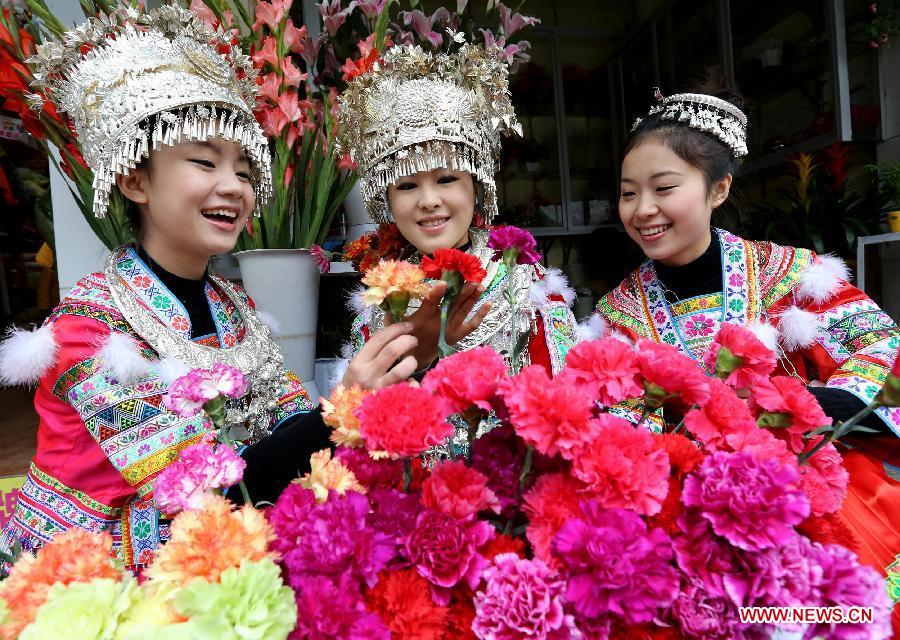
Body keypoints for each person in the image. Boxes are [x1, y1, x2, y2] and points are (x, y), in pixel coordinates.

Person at [0, 5, 436, 572]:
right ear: (135, 180)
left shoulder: (232, 304)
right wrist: (341, 407)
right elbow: (193, 499)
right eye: (204, 163)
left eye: (245, 171)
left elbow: (281, 430)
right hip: (96, 559)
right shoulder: (90, 333)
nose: (233, 187)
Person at [596, 88, 900, 625]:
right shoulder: (617, 315)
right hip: (688, 513)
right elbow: (612, 419)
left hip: (810, 490)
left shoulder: (789, 273)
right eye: (627, 194)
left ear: (719, 190)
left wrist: (815, 405)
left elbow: (881, 343)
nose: (642, 210)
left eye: (663, 188)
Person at [337, 44, 579, 381]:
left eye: (447, 179)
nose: (429, 200)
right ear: (386, 200)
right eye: (407, 186)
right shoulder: (377, 306)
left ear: (477, 186)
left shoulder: (527, 290)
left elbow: (566, 405)